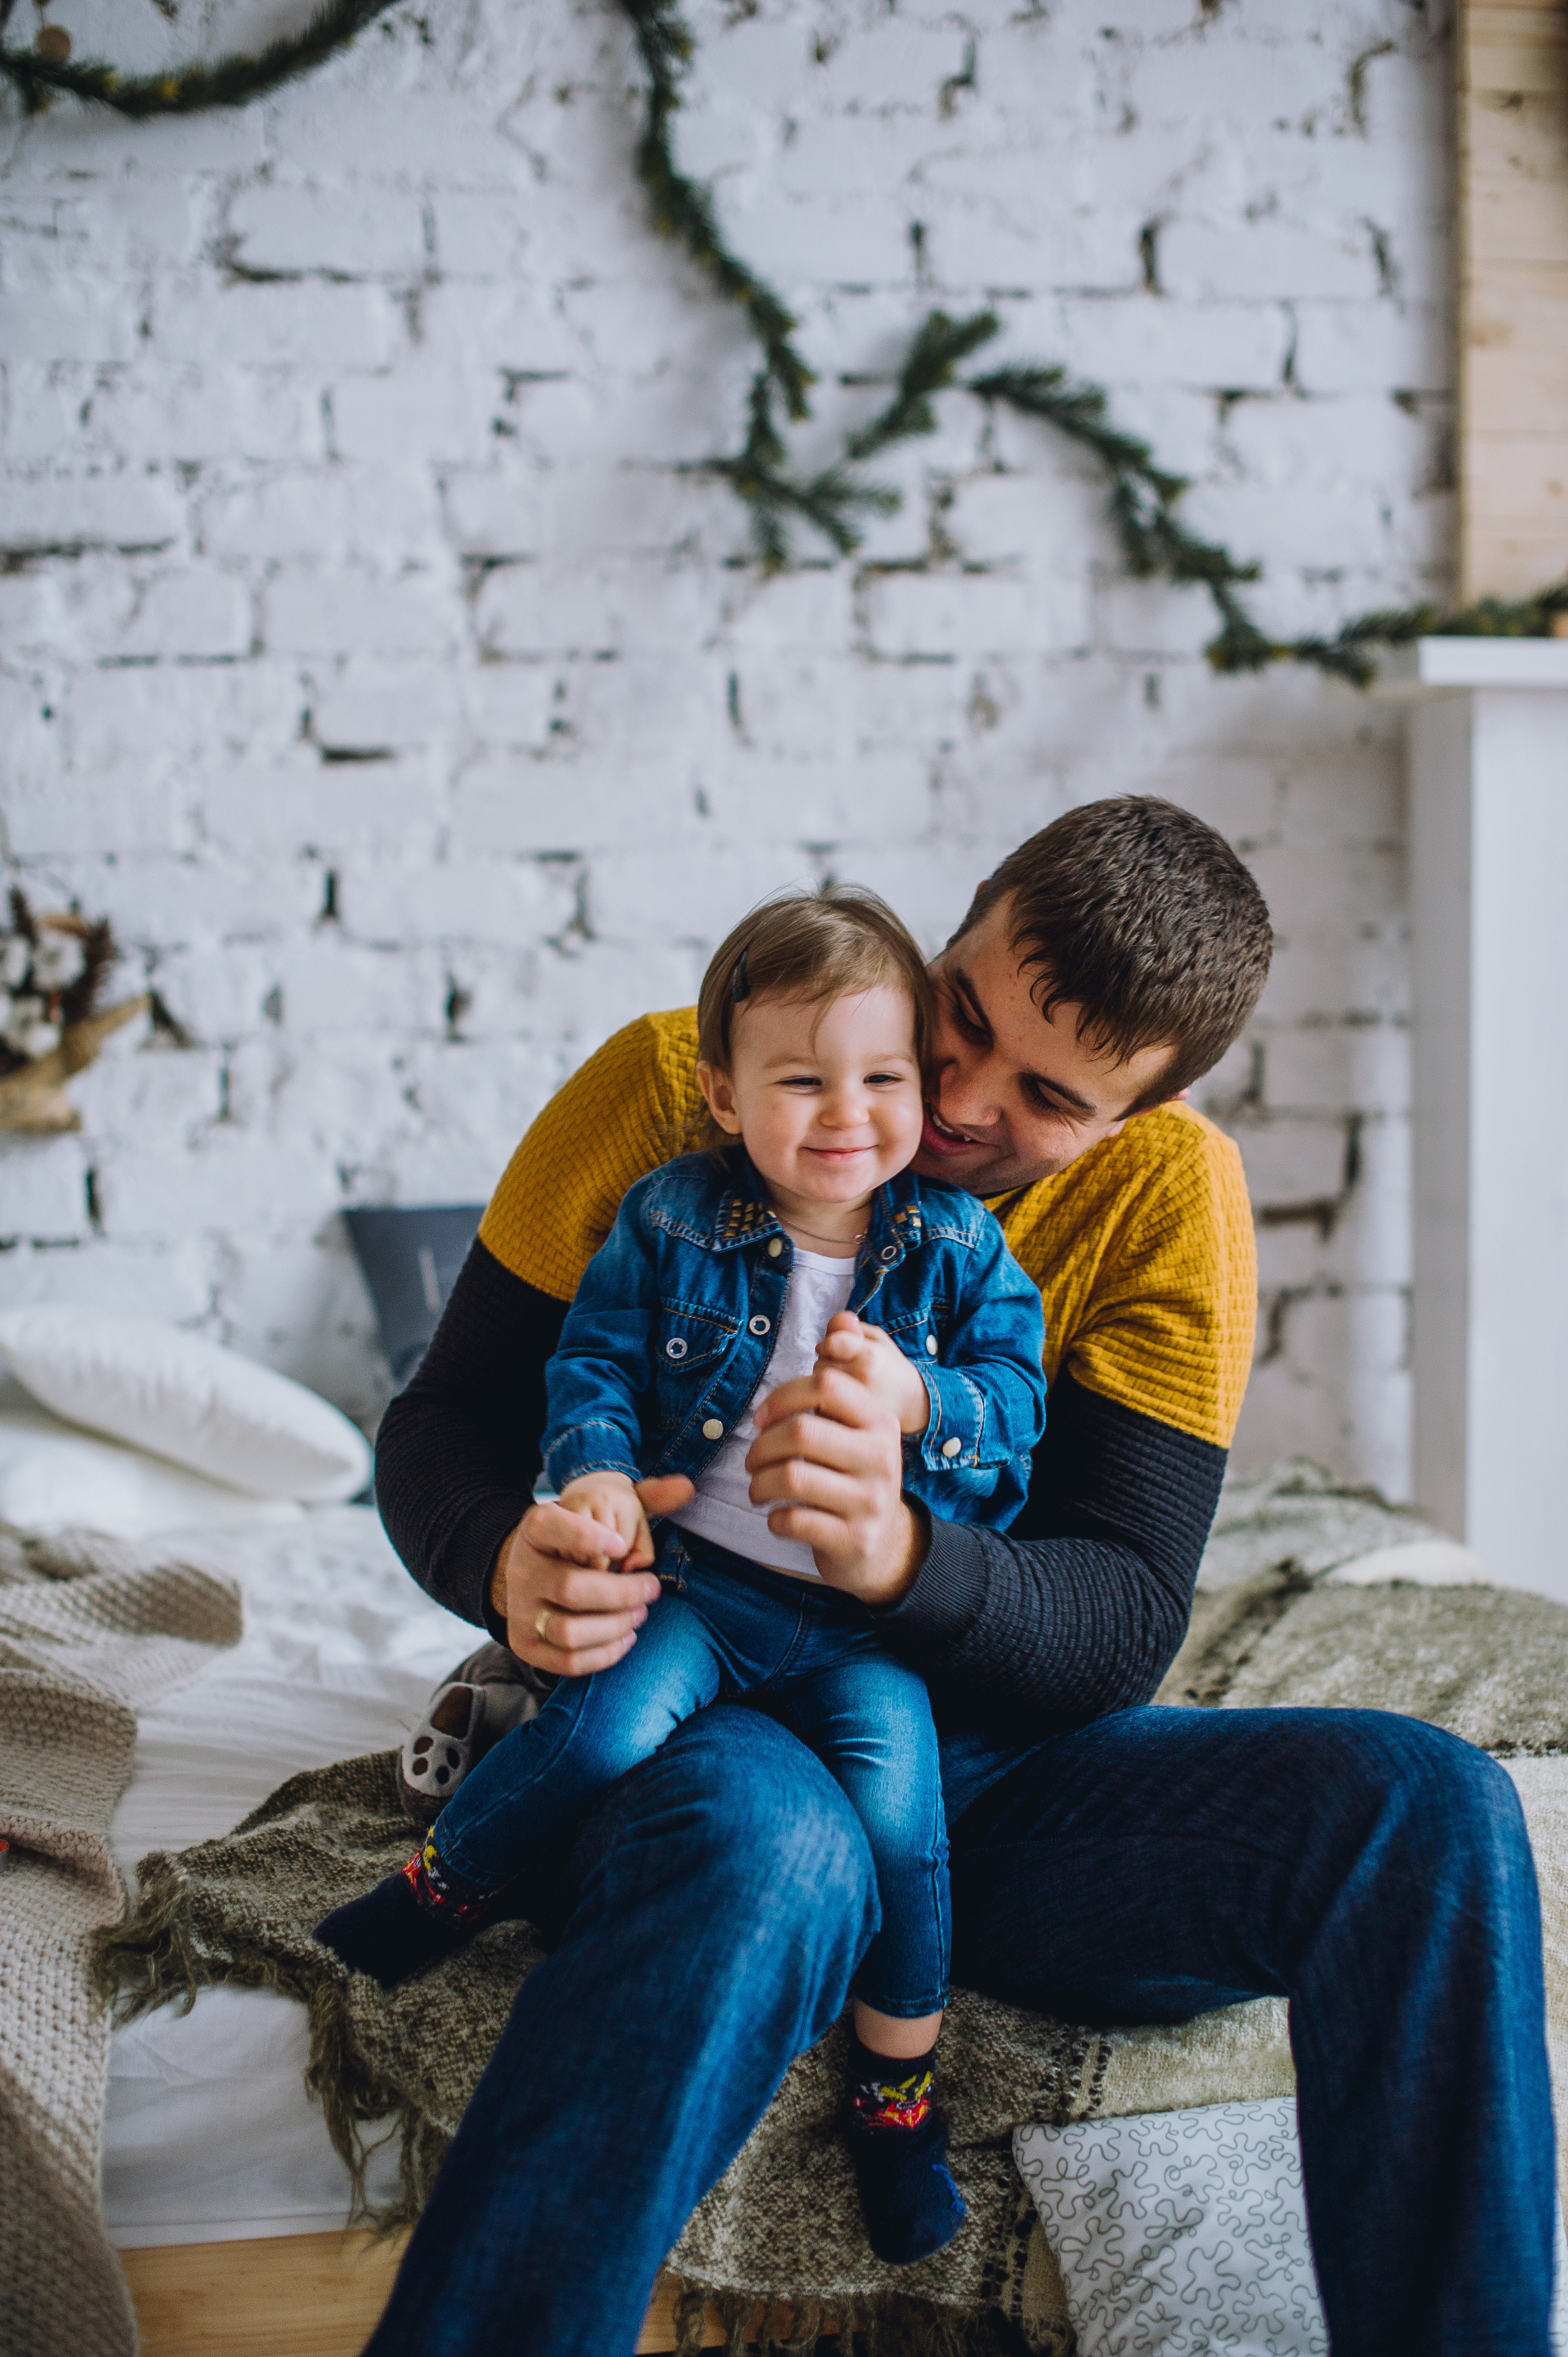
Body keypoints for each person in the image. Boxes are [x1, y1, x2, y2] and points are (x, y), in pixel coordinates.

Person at [366, 797, 1557, 2357]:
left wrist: (905, 1558)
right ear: (963, 916)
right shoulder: (674, 1080)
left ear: (1135, 1119)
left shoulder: (1171, 1202)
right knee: (774, 1853)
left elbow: (1122, 1621)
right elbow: (441, 1424)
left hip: (996, 1790)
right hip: (707, 1714)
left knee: (1431, 1807)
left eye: (1047, 1097)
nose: (956, 1103)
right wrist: (499, 1557)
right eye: (965, 1016)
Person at [317, 887, 1048, 2264]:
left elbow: (1016, 1402)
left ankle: (896, 2102)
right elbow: (590, 1363)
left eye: (884, 1079)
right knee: (596, 1730)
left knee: (903, 1830)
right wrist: (592, 1474)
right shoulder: (672, 1217)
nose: (847, 1115)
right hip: (703, 1591)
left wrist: (920, 1398)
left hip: (862, 1630)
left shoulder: (959, 1246)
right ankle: (441, 1888)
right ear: (724, 1093)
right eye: (802, 1081)